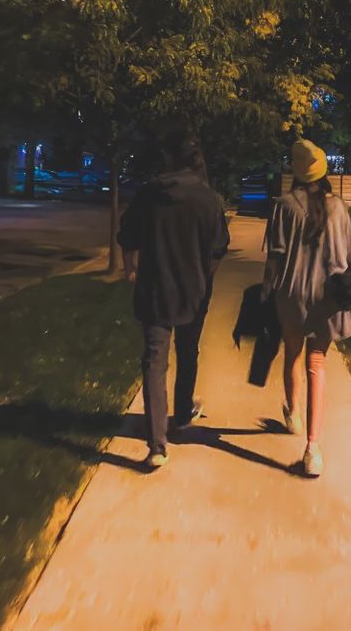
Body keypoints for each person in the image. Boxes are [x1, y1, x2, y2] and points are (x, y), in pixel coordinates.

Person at [118, 129, 230, 470]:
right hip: (193, 289)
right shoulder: (208, 199)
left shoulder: (149, 194)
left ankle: (157, 445)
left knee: (154, 361)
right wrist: (206, 274)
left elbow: (127, 236)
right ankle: (181, 414)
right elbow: (219, 248)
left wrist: (130, 269)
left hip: (155, 289)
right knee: (188, 350)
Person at [262, 139, 351, 477]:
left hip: (291, 297)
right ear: (323, 173)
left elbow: (275, 259)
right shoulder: (339, 208)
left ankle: (293, 414)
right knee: (316, 364)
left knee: (291, 355)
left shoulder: (284, 206)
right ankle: (313, 447)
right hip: (328, 299)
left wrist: (266, 291)